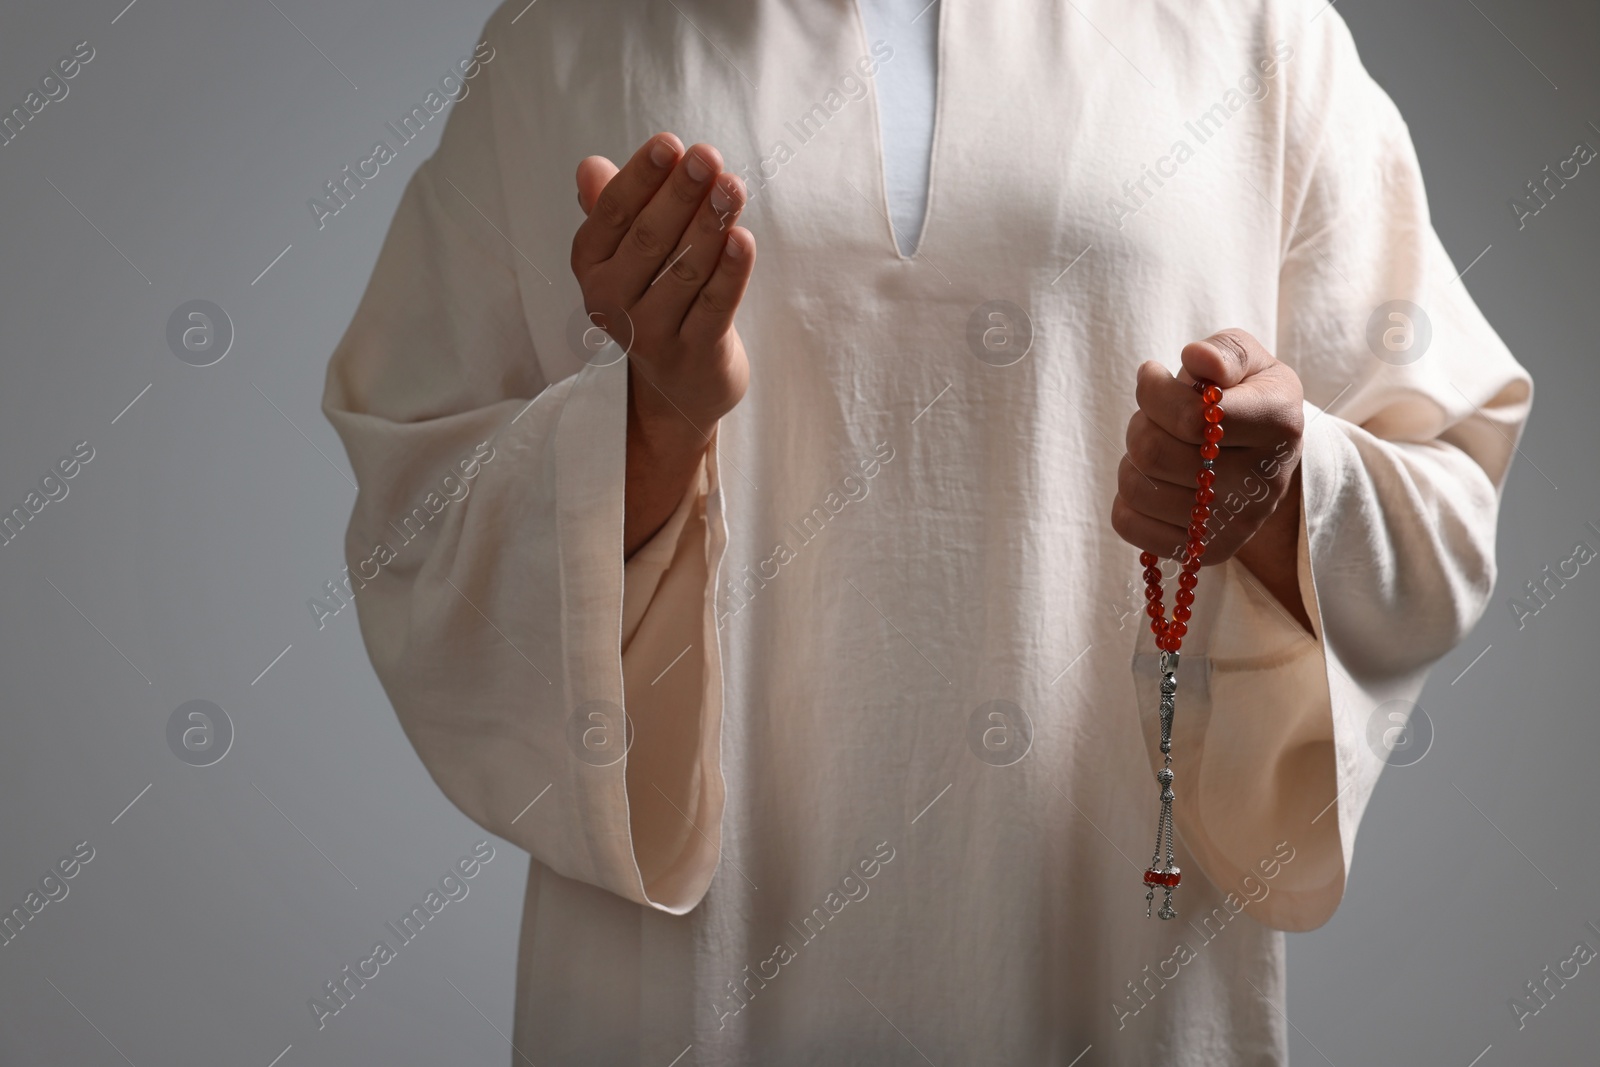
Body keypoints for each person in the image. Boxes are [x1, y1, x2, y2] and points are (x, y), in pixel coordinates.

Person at [322, 0, 1532, 1062]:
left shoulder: (1257, 32)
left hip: (1112, 966)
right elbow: (416, 522)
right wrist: (645, 430)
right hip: (678, 1005)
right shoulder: (567, 40)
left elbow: (1441, 498)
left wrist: (1277, 497)